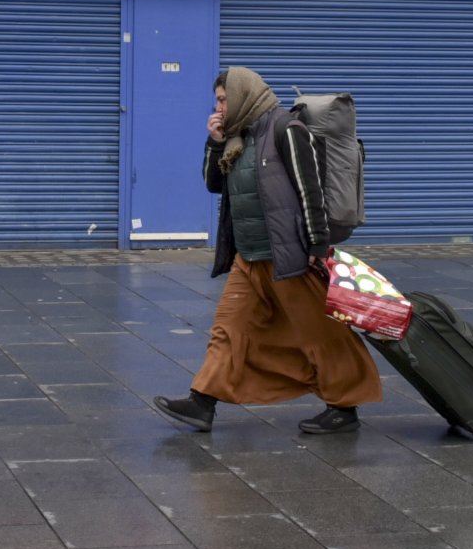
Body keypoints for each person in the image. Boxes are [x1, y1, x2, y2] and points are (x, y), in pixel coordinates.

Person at [153, 66, 382, 435]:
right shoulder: (236, 136)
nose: (219, 107)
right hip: (250, 257)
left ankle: (344, 406)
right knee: (229, 328)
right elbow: (215, 185)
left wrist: (317, 244)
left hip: (290, 256)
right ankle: (202, 402)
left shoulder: (286, 130)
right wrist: (213, 142)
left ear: (244, 94)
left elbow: (311, 191)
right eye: (218, 101)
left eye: (224, 100)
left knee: (320, 333)